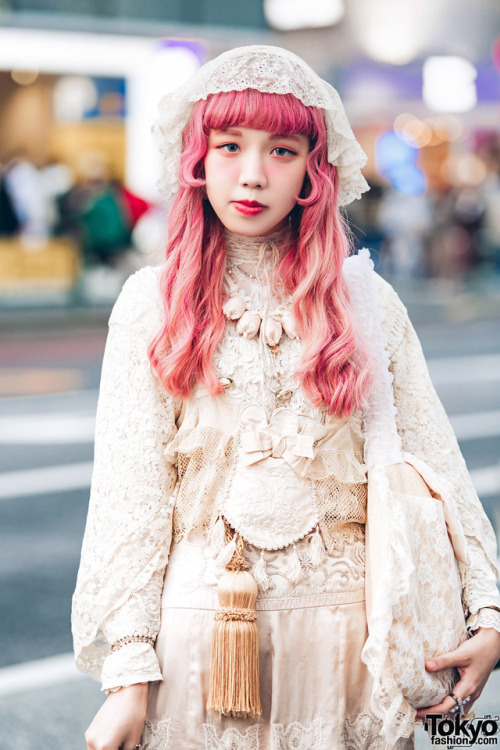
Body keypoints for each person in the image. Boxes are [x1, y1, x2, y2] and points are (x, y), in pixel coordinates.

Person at [72, 46, 500, 750]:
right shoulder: (153, 304)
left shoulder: (367, 302)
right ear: (197, 158)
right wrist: (127, 680)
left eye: (282, 149)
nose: (251, 173)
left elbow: (435, 461)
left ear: (313, 168)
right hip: (200, 641)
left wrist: (486, 611)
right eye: (230, 145)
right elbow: (131, 501)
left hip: (350, 644)